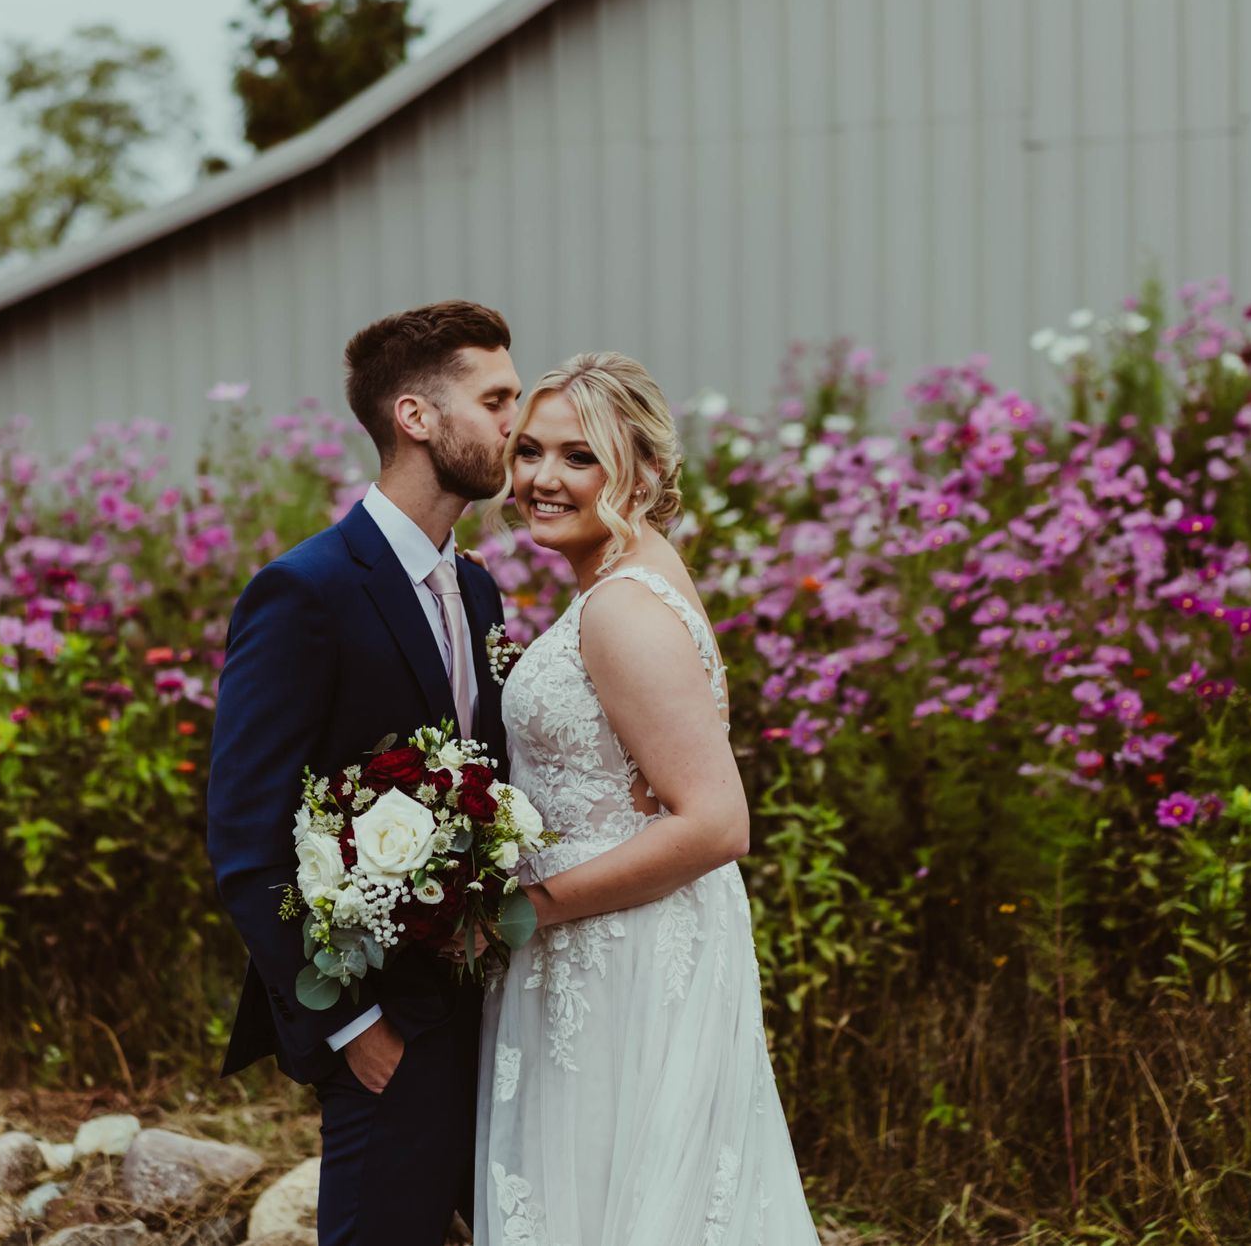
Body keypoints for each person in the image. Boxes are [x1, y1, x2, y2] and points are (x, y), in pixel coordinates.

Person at [475, 352, 816, 1243]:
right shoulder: (624, 580)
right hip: (606, 939)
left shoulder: (624, 607)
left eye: (579, 458)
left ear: (648, 472)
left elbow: (715, 823)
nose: (543, 479)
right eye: (531, 452)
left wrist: (522, 911)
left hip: (618, 954)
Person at [206, 300, 521, 1246]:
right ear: (416, 418)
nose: (515, 420)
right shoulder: (305, 590)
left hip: (487, 1007)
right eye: (496, 397)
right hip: (382, 1016)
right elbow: (245, 837)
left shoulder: (477, 587)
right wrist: (351, 1028)